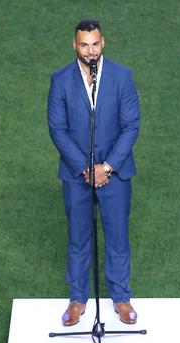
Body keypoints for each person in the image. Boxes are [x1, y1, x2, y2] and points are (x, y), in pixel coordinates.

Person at [47, 19, 140, 326]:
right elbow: (58, 130)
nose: (90, 51)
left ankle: (121, 298)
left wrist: (107, 167)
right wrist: (86, 168)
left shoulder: (122, 77)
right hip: (77, 176)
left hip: (115, 174)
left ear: (104, 43)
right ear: (75, 45)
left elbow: (131, 126)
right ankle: (77, 299)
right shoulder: (60, 80)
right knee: (78, 237)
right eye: (84, 45)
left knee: (117, 236)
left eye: (95, 44)